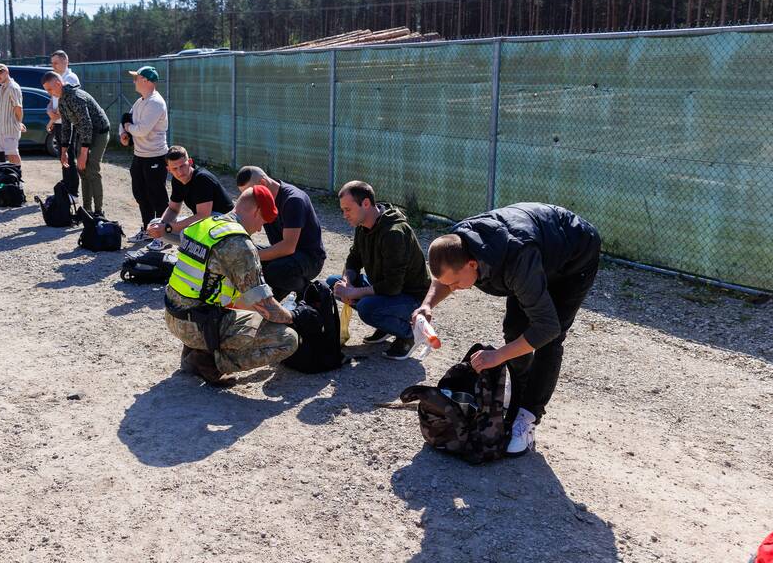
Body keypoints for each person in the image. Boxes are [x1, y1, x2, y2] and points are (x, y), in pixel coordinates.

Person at [413, 202, 602, 456]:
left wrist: (498, 355)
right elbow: (443, 278)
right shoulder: (457, 243)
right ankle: (516, 399)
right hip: (536, 249)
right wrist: (427, 305)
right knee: (515, 329)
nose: (454, 288)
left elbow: (546, 328)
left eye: (457, 283)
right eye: (451, 284)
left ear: (472, 264)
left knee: (549, 340)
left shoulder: (517, 261)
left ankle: (528, 416)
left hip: (575, 255)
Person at [164, 185, 298, 386]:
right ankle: (210, 362)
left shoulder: (206, 225)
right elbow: (266, 306)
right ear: (256, 211)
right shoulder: (239, 244)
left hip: (174, 316)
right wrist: (295, 316)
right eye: (263, 220)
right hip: (199, 325)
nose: (260, 228)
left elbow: (214, 288)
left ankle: (196, 350)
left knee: (249, 313)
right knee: (288, 339)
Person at [325, 181, 430, 359]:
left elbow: (393, 286)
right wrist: (347, 281)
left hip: (411, 297)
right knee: (332, 283)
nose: (344, 215)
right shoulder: (363, 225)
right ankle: (387, 325)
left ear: (365, 203)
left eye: (347, 209)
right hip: (387, 290)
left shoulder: (394, 233)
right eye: (343, 210)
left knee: (367, 308)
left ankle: (411, 334)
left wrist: (355, 292)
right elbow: (354, 259)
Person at [235, 166, 326, 300]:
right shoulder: (263, 201)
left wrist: (252, 256)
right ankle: (271, 298)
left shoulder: (293, 200)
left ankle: (307, 290)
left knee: (272, 269)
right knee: (244, 251)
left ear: (263, 184)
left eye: (252, 193)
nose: (250, 199)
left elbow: (288, 247)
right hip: (285, 255)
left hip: (310, 258)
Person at [40, 70, 111, 214]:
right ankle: (86, 210)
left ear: (58, 84)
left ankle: (98, 212)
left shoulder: (75, 97)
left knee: (92, 170)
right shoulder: (62, 99)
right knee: (82, 170)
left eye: (50, 89)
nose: (49, 93)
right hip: (85, 132)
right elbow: (66, 126)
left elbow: (87, 124)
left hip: (99, 132)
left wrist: (84, 153)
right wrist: (64, 151)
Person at [147, 145, 233, 252]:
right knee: (155, 223)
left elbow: (203, 215)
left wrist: (168, 228)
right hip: (208, 223)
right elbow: (173, 209)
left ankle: (203, 253)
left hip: (227, 225)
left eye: (182, 166)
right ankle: (198, 250)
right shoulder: (177, 180)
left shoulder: (202, 179)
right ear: (168, 169)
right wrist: (161, 226)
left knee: (186, 232)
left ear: (190, 162)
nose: (180, 172)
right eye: (175, 168)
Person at [120, 65, 169, 243]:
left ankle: (163, 235)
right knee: (141, 194)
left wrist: (128, 128)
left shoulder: (155, 102)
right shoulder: (140, 101)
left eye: (137, 77)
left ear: (146, 81)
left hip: (155, 155)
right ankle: (148, 230)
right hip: (139, 156)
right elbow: (128, 119)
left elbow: (141, 130)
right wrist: (123, 133)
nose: (134, 81)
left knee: (158, 197)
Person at [0, 64, 25, 167]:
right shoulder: (2, 87)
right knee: (10, 155)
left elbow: (18, 107)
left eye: (0, 74)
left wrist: (19, 122)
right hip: (3, 128)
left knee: (13, 154)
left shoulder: (13, 87)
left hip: (11, 128)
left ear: (6, 72)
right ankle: (14, 176)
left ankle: (18, 177)